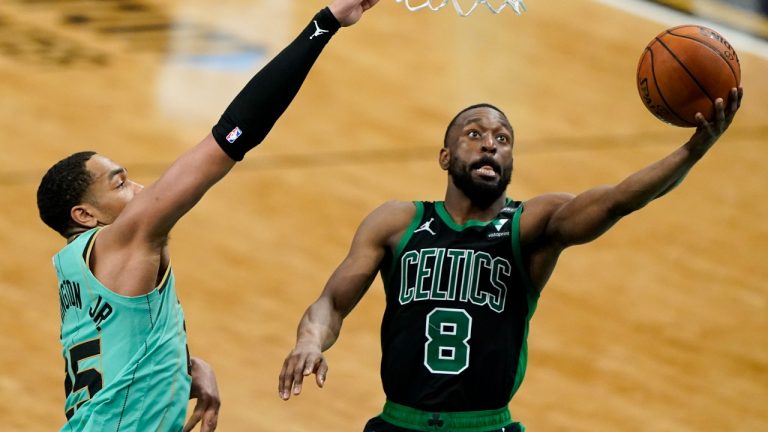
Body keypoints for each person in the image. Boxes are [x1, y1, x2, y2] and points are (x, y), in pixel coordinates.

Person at [279, 88, 743, 431]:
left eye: (503, 138)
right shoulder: (398, 222)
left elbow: (618, 201)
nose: (490, 144)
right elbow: (331, 305)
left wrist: (691, 151)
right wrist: (310, 340)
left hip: (486, 426)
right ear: (445, 156)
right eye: (474, 134)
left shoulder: (530, 225)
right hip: (398, 422)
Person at [36, 1, 379, 430]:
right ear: (85, 214)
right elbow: (233, 135)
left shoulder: (74, 267)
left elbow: (118, 351)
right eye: (121, 184)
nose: (142, 192)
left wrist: (186, 363)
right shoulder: (128, 236)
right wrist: (324, 23)